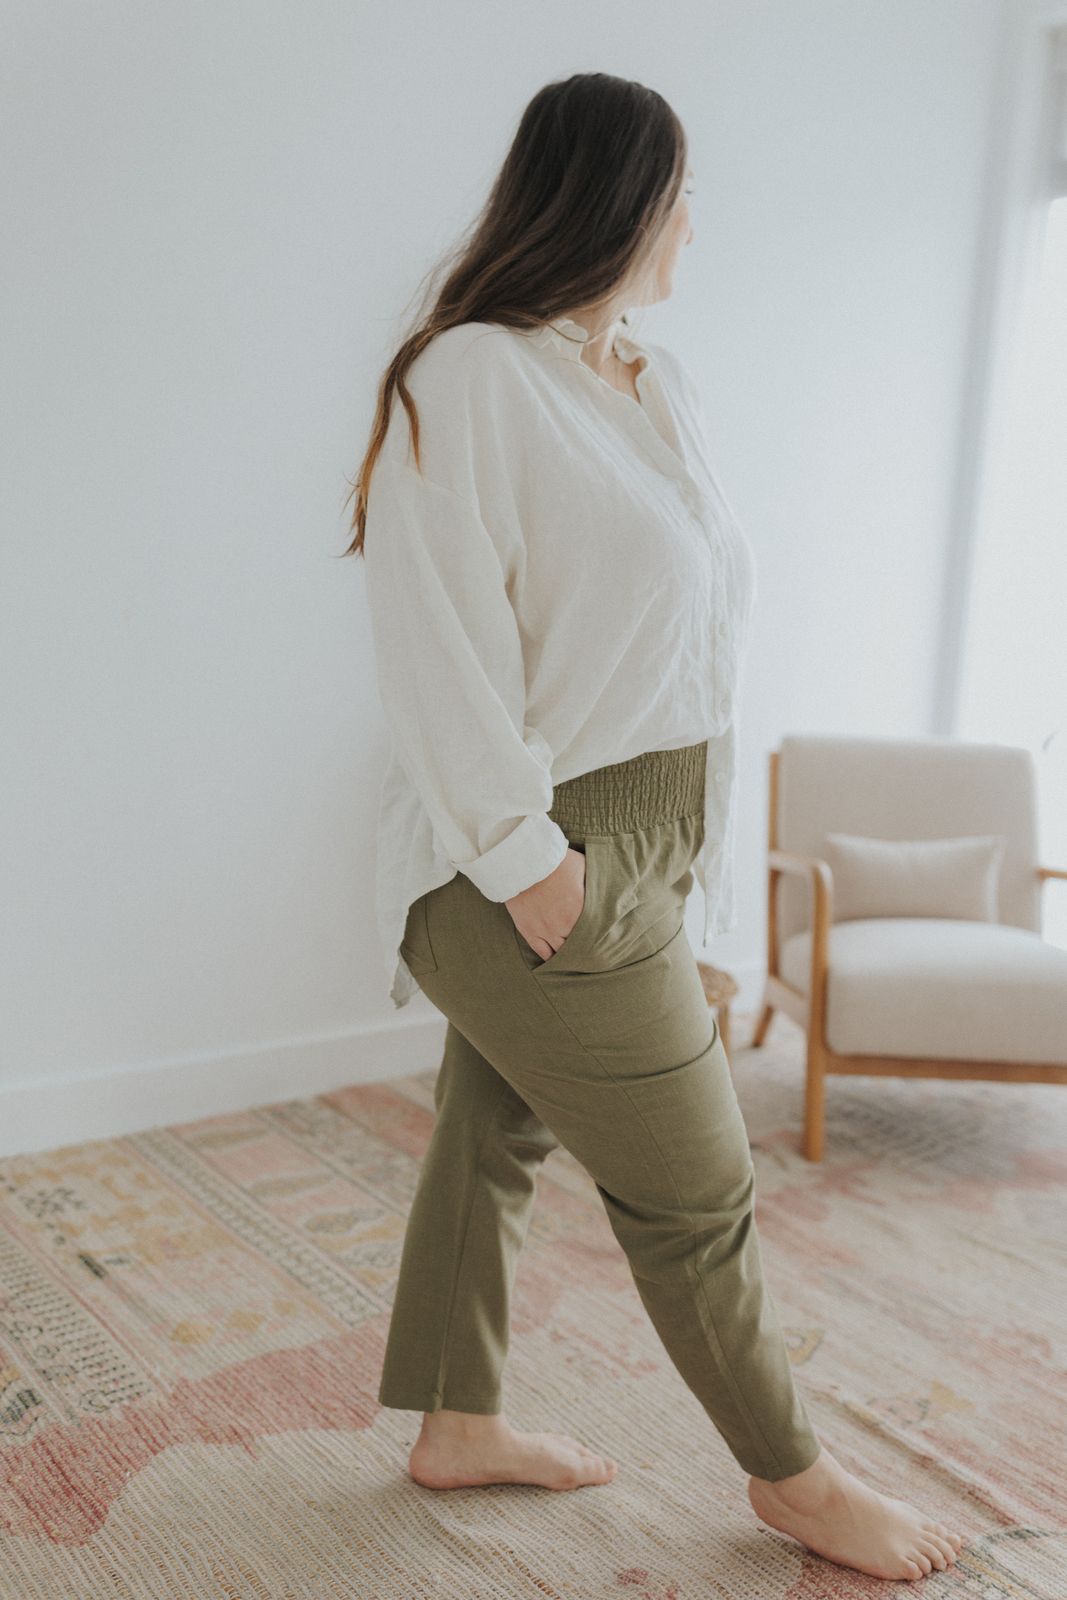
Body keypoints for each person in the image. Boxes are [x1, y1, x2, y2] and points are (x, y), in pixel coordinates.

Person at [344, 71, 964, 1584]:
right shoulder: (469, 378)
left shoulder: (656, 380)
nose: (697, 222)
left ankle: (456, 1421)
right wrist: (526, 859)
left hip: (654, 836)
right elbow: (437, 642)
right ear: (615, 202)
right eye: (678, 193)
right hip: (530, 855)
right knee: (698, 1188)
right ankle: (799, 1482)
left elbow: (698, 650)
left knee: (490, 1133)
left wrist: (692, 904)